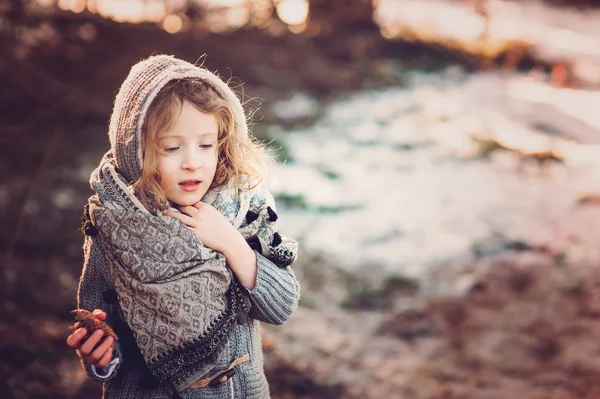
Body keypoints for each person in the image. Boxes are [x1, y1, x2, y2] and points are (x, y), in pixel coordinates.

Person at [65, 54, 300, 399]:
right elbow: (109, 343)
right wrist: (99, 356)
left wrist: (229, 242)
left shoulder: (242, 210)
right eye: (172, 148)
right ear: (137, 151)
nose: (193, 162)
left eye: (206, 145)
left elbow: (282, 306)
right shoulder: (115, 228)